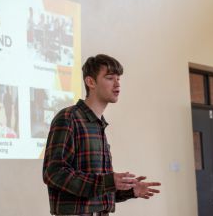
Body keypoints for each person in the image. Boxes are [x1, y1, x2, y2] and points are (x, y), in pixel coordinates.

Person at [43, 54, 161, 216]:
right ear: (90, 82)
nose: (117, 84)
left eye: (119, 78)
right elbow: (54, 173)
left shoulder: (99, 125)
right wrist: (108, 181)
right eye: (110, 78)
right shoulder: (69, 118)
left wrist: (129, 191)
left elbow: (98, 188)